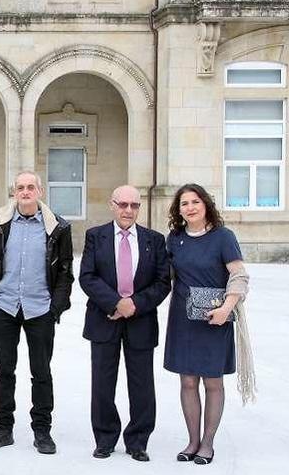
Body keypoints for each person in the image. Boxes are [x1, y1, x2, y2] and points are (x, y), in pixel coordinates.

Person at [0, 170, 73, 454]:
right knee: (3, 371)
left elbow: (65, 272)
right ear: (14, 192)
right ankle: (3, 429)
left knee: (41, 372)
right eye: (20, 187)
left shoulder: (58, 227)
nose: (25, 192)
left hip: (40, 309)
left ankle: (42, 431)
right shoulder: (0, 224)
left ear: (40, 192)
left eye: (30, 187)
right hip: (5, 306)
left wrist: (55, 309)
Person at [79, 185, 171, 462]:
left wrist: (134, 304)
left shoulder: (155, 240)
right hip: (104, 318)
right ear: (112, 205)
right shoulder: (95, 236)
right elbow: (87, 276)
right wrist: (116, 303)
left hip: (141, 321)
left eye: (134, 205)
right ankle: (105, 438)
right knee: (102, 384)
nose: (128, 210)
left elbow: (162, 282)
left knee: (142, 385)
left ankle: (138, 441)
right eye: (123, 204)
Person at [164, 183, 250, 465]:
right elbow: (164, 276)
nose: (190, 207)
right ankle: (192, 441)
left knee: (213, 382)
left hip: (216, 317)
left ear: (205, 204)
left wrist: (227, 308)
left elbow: (239, 276)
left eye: (195, 202)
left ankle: (208, 444)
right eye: (184, 203)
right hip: (183, 319)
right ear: (179, 211)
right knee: (188, 381)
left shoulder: (223, 237)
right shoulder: (174, 239)